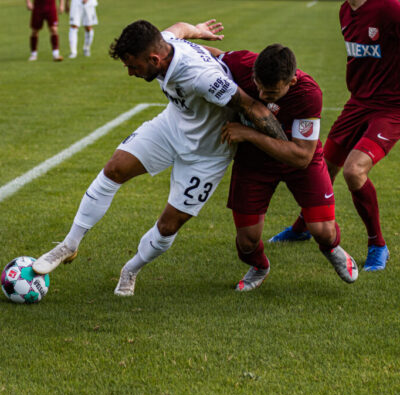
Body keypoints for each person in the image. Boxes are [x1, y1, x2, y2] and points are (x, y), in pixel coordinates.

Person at [32, 19, 287, 296]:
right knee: (114, 169)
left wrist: (287, 148)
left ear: (154, 59)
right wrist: (198, 30)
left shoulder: (201, 77)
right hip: (171, 127)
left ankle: (131, 269)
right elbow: (179, 28)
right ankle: (69, 245)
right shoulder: (165, 43)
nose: (130, 72)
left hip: (207, 154)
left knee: (168, 225)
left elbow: (252, 106)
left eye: (133, 66)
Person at [204, 43, 358, 290]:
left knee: (324, 231)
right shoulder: (242, 63)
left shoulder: (308, 94)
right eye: (258, 87)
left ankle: (332, 248)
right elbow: (205, 54)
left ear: (292, 82)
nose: (262, 96)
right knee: (247, 242)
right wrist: (181, 36)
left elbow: (301, 157)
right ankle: (259, 266)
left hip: (299, 158)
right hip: (254, 162)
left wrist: (249, 134)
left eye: (272, 93)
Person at [269, 0, 400, 272]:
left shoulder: (391, 8)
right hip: (358, 103)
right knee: (320, 168)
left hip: (391, 108)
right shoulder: (345, 11)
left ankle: (378, 245)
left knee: (354, 171)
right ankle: (303, 227)